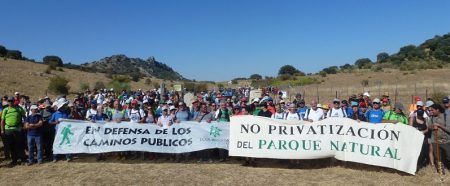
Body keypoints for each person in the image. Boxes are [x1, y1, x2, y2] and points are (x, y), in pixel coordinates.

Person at [1, 96, 27, 166]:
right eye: (9, 101)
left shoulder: (19, 108)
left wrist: (24, 125)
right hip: (8, 130)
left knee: (20, 145)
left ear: (14, 101)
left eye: (11, 101)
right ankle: (14, 160)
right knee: (11, 146)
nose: (10, 102)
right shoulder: (5, 110)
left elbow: (24, 116)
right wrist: (2, 130)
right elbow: (2, 121)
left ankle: (23, 159)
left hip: (18, 129)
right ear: (8, 102)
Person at [427, 104, 450, 170]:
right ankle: (441, 171)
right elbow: (429, 127)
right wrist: (432, 127)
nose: (431, 111)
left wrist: (439, 125)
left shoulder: (446, 117)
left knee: (449, 157)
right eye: (430, 110)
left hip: (446, 141)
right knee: (438, 158)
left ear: (437, 110)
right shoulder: (431, 117)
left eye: (432, 110)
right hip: (435, 141)